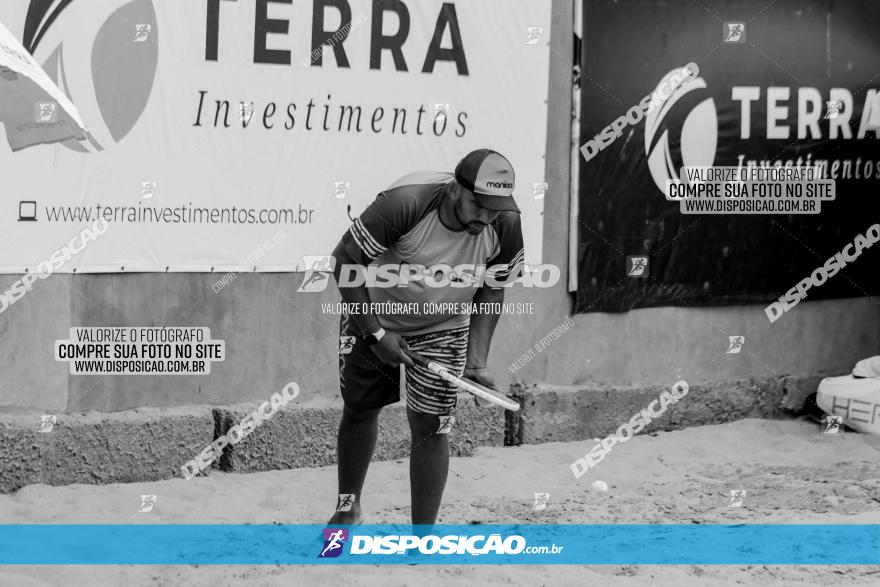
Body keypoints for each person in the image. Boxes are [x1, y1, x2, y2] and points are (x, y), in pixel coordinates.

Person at [327, 148, 525, 526]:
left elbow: (493, 288)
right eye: (478, 205)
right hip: (373, 313)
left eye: (494, 208)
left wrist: (477, 361)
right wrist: (375, 334)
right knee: (360, 411)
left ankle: (422, 535)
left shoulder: (505, 224)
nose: (485, 217)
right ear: (455, 190)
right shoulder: (405, 203)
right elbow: (344, 263)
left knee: (432, 425)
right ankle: (347, 510)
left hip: (443, 324)